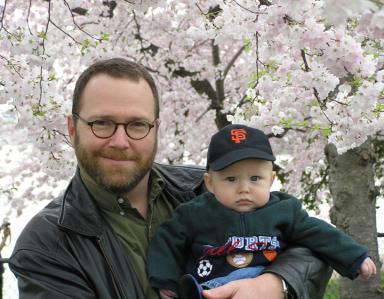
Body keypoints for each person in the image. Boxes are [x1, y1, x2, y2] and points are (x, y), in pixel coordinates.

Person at [9, 58, 332, 299]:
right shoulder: (45, 246)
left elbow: (312, 243)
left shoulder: (209, 188)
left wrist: (275, 284)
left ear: (156, 130)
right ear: (71, 128)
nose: (120, 142)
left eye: (137, 125)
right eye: (102, 123)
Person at [147, 124, 377, 299]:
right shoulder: (194, 213)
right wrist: (165, 281)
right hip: (212, 285)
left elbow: (319, 233)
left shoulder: (284, 210)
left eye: (255, 178)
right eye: (231, 179)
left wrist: (354, 256)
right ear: (210, 183)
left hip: (263, 283)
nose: (244, 188)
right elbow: (167, 241)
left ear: (271, 180)